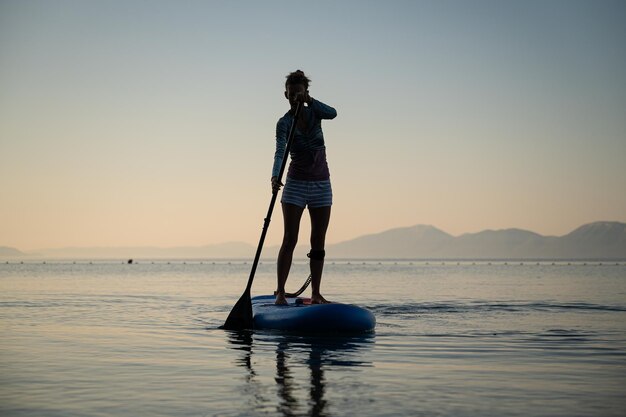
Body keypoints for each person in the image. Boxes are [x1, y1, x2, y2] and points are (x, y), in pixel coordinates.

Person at [272, 70, 337, 305]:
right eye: (291, 95)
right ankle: (280, 291)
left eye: (299, 94)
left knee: (318, 240)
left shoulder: (316, 113)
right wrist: (274, 176)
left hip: (321, 184)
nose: (294, 98)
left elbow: (334, 113)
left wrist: (309, 101)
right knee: (290, 238)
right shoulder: (284, 123)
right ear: (285, 95)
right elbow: (281, 151)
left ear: (306, 93)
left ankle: (316, 293)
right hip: (295, 185)